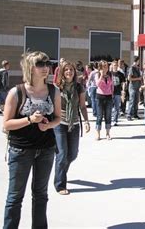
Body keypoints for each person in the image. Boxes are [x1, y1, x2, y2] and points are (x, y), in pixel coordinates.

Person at [2, 51, 61, 229]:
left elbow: (58, 118)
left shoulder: (53, 90)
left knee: (41, 195)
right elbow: (6, 124)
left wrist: (48, 125)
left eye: (47, 63)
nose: (46, 68)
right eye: (40, 64)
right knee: (15, 197)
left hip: (46, 149)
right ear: (30, 67)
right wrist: (29, 120)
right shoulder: (16, 92)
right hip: (21, 150)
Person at [54, 61, 90, 195]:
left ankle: (60, 170)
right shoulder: (57, 87)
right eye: (66, 70)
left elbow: (82, 106)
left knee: (72, 154)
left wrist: (86, 121)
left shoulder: (79, 87)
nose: (69, 72)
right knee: (62, 154)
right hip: (59, 123)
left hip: (74, 123)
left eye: (71, 70)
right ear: (62, 72)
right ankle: (60, 184)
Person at [95, 60, 113, 140]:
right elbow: (97, 84)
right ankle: (98, 134)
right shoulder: (97, 74)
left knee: (108, 115)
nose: (106, 68)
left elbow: (112, 85)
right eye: (104, 66)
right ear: (101, 67)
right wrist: (101, 75)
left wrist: (112, 92)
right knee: (99, 116)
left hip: (108, 96)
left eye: (107, 66)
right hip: (100, 97)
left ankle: (108, 133)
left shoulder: (110, 75)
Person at [126, 56, 142, 120]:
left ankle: (135, 114)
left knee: (136, 101)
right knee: (131, 101)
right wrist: (138, 78)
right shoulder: (131, 68)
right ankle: (129, 115)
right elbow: (129, 78)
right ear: (137, 60)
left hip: (137, 86)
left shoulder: (137, 68)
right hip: (132, 87)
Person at [111, 60, 125, 126]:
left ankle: (115, 120)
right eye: (114, 65)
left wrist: (123, 90)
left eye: (116, 65)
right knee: (110, 107)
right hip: (110, 92)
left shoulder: (120, 74)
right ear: (112, 66)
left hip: (118, 92)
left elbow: (123, 83)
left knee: (117, 107)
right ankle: (109, 119)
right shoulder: (109, 74)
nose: (115, 67)